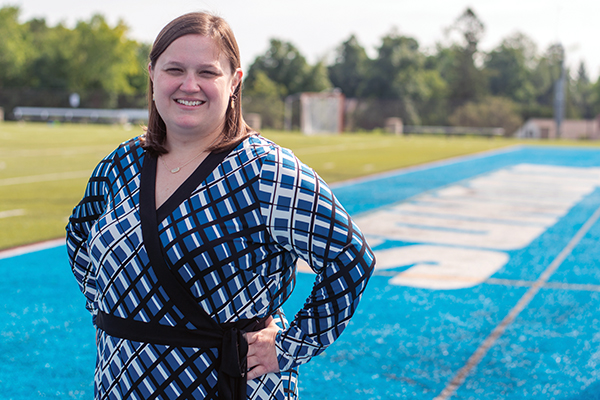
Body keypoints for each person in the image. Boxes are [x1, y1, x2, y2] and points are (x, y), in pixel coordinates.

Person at [66, 11, 375, 400]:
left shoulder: (266, 171)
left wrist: (291, 346)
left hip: (223, 384)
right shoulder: (124, 163)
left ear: (234, 82)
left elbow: (351, 256)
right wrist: (111, 305)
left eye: (208, 73)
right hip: (121, 380)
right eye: (174, 69)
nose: (189, 84)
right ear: (152, 74)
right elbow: (80, 231)